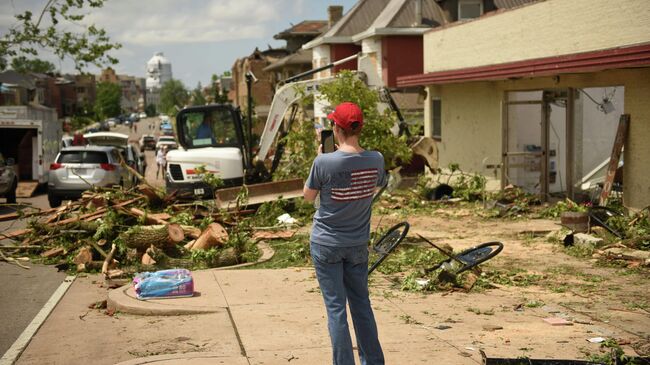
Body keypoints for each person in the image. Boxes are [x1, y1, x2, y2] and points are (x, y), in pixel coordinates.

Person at [303, 102, 386, 365]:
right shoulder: (376, 159)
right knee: (361, 305)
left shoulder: (324, 162)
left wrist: (323, 158)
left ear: (336, 129)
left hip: (326, 244)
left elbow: (308, 198)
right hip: (357, 245)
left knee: (336, 310)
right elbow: (372, 186)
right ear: (360, 127)